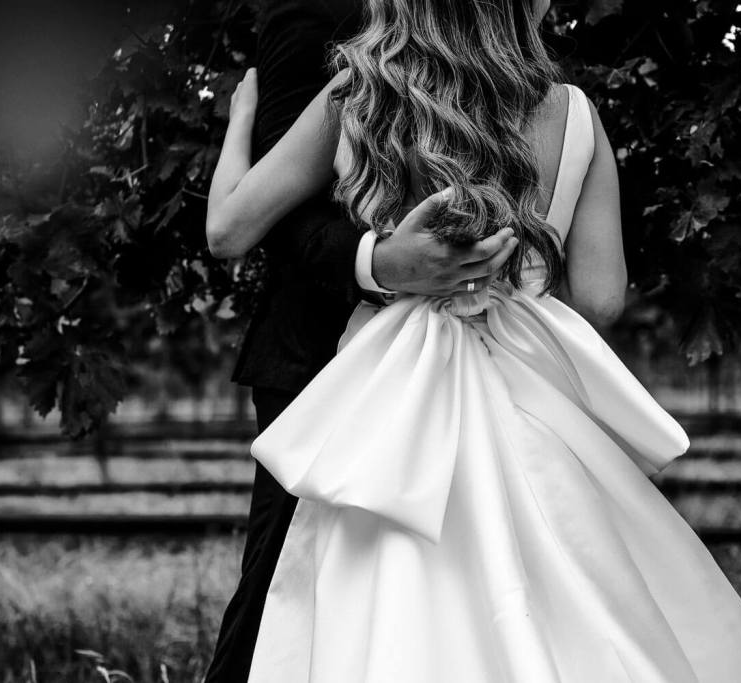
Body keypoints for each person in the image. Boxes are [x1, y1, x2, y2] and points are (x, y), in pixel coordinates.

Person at [206, 0, 741, 680]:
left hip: (386, 400)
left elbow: (228, 230)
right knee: (567, 589)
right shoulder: (573, 111)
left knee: (375, 607)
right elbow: (603, 298)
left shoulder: (359, 89)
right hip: (522, 389)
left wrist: (242, 126)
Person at [202, 2, 518, 681]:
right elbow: (272, 217)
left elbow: (230, 219)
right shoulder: (313, 19)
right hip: (320, 361)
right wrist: (377, 260)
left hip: (459, 364)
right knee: (284, 602)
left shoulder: (488, 52)